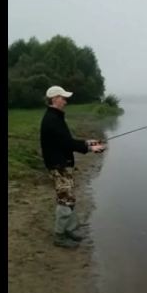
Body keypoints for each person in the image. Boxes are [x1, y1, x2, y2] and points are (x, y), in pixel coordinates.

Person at [40, 85, 107, 248]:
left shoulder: (56, 116)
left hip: (63, 164)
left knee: (69, 198)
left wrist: (87, 143)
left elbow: (65, 141)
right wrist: (90, 147)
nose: (65, 101)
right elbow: (67, 143)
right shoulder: (52, 119)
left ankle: (69, 229)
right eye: (63, 98)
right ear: (54, 99)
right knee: (65, 200)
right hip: (59, 166)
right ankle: (60, 236)